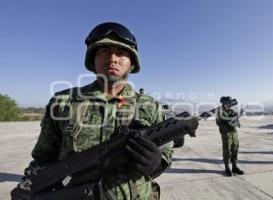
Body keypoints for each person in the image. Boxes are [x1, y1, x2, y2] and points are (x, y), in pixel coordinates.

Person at [24, 22, 173, 199]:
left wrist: (155, 164)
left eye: (121, 53)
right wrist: (28, 190)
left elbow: (166, 153)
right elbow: (43, 159)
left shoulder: (150, 106)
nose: (113, 58)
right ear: (92, 60)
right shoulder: (63, 102)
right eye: (104, 52)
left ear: (132, 63)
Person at [216, 96, 244, 177]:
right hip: (226, 133)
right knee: (227, 150)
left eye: (229, 102)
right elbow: (218, 123)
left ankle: (234, 167)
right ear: (223, 102)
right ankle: (227, 167)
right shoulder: (219, 111)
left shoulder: (231, 110)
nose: (228, 104)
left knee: (235, 149)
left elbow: (236, 117)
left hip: (234, 132)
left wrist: (239, 114)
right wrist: (228, 123)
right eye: (226, 102)